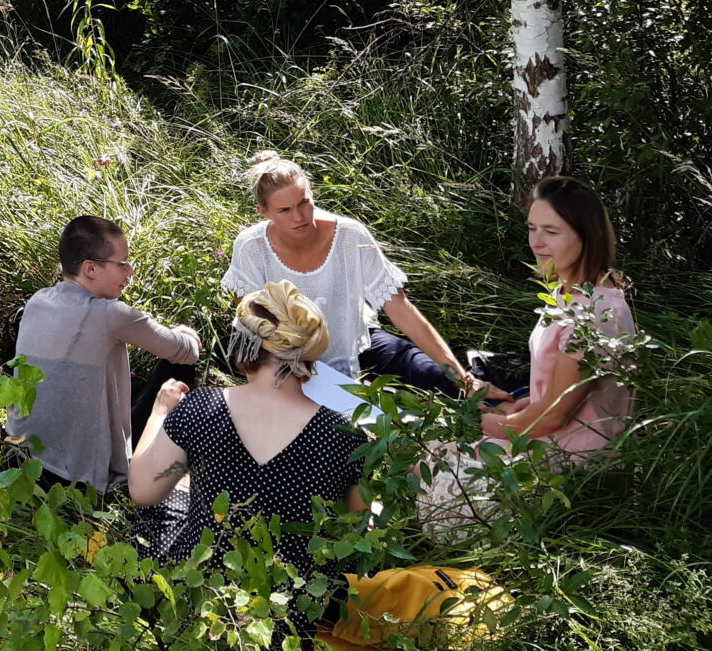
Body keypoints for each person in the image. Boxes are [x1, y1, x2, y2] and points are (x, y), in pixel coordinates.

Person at [129, 281, 364, 584]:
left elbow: (142, 491)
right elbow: (352, 534)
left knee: (173, 494)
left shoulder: (203, 407)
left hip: (201, 593)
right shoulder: (347, 435)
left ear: (243, 347)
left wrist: (160, 412)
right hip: (297, 608)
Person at [223, 151, 500, 398]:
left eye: (304, 202)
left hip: (356, 341)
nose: (300, 216)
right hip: (287, 357)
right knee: (329, 424)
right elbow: (254, 325)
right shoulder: (251, 246)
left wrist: (462, 379)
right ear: (264, 212)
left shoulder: (349, 235)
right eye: (284, 210)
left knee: (440, 380)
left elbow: (400, 308)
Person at [6, 215, 201, 493]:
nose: (130, 271)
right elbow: (186, 352)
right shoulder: (112, 315)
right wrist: (187, 335)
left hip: (21, 459)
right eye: (122, 263)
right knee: (179, 368)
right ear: (91, 269)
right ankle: (151, 479)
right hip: (78, 480)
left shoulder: (37, 300)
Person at [477, 176, 635, 461]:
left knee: (424, 457)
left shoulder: (594, 312)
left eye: (551, 231)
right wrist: (526, 405)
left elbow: (553, 417)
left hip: (567, 457)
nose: (536, 243)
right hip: (545, 439)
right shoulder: (569, 292)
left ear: (587, 236)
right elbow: (555, 396)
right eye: (532, 229)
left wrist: (477, 424)